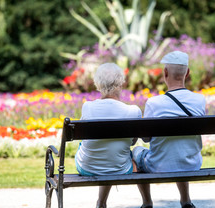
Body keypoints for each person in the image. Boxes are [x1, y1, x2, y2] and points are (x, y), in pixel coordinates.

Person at [133, 51, 206, 208]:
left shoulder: (154, 103)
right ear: (187, 73)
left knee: (136, 153)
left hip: (158, 165)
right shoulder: (200, 100)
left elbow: (146, 139)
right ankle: (185, 200)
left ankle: (147, 203)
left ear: (165, 73)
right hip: (192, 163)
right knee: (181, 149)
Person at [75, 63, 142, 208]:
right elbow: (133, 142)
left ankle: (101, 202)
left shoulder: (87, 107)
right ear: (121, 83)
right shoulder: (133, 111)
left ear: (97, 84)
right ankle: (146, 201)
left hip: (86, 166)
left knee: (100, 147)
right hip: (120, 168)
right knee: (119, 154)